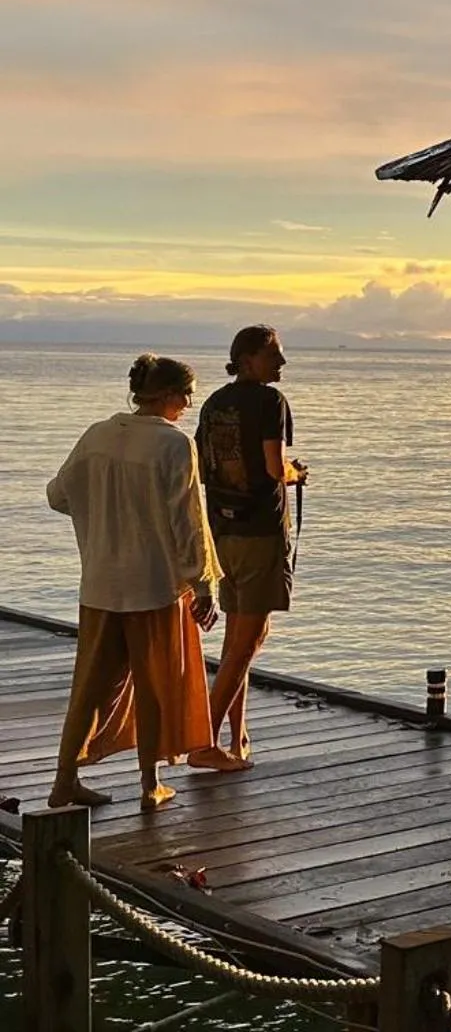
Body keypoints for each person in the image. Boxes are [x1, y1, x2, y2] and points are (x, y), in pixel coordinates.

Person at [47, 354, 245, 811]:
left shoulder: (97, 435)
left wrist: (105, 509)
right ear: (167, 395)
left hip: (99, 583)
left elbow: (58, 495)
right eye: (186, 394)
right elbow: (187, 522)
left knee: (89, 688)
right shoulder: (172, 445)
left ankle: (64, 781)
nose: (190, 403)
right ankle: (149, 785)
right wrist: (203, 586)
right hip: (152, 586)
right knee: (154, 688)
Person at [196, 325, 307, 764]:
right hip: (260, 530)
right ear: (247, 359)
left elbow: (204, 467)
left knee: (237, 641)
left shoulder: (213, 403)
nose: (281, 363)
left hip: (222, 532)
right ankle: (202, 741)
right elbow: (274, 467)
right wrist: (296, 472)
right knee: (249, 639)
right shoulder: (270, 402)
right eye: (273, 355)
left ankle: (235, 737)